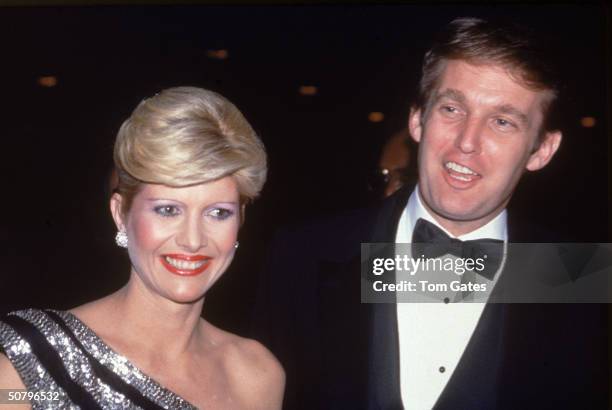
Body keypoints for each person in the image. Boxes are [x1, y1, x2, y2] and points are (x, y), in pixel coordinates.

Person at [251, 18, 608, 409]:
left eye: (502, 122)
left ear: (542, 151)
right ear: (418, 119)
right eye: (452, 108)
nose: (466, 142)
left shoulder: (577, 281)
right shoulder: (304, 257)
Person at [0, 87, 285, 409]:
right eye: (167, 210)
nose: (193, 240)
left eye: (218, 213)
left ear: (240, 220)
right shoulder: (30, 365)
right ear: (121, 214)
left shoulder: (255, 376)